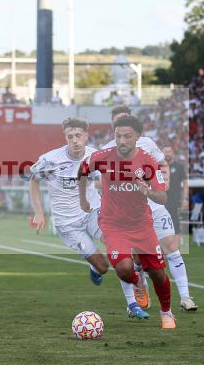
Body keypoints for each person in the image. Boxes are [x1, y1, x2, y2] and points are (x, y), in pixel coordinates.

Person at [30, 118, 150, 318]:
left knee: (119, 253)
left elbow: (108, 181)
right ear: (65, 138)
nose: (75, 140)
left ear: (86, 135)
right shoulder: (51, 159)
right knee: (102, 267)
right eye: (70, 136)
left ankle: (132, 304)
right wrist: (39, 212)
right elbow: (33, 181)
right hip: (67, 224)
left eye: (78, 135)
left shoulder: (96, 156)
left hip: (93, 212)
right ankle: (95, 267)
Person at [79, 114, 177, 330]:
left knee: (158, 274)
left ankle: (166, 312)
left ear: (137, 137)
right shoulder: (102, 156)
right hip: (112, 224)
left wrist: (148, 191)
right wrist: (83, 199)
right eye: (118, 136)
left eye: (127, 136)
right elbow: (83, 171)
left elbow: (163, 197)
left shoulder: (148, 162)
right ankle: (137, 281)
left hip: (141, 225)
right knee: (124, 269)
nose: (121, 141)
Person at [104, 106, 197, 312]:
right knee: (132, 260)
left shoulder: (147, 143)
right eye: (118, 123)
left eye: (126, 121)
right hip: (128, 215)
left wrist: (164, 182)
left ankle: (186, 297)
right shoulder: (107, 151)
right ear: (113, 126)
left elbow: (163, 164)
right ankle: (135, 299)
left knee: (171, 247)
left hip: (154, 207)